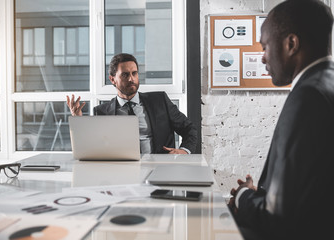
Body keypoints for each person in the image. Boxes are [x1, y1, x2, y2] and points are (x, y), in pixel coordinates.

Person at [228, 1, 334, 239]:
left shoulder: (308, 97)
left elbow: (278, 220)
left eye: (265, 46)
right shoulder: (326, 84)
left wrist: (244, 196)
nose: (263, 58)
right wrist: (260, 195)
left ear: (291, 44)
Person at [67, 53, 197, 154]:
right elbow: (92, 148)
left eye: (134, 73)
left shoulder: (160, 101)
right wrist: (78, 121)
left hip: (159, 169)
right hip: (121, 174)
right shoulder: (101, 111)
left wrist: (184, 150)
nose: (131, 79)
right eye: (125, 75)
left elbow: (189, 129)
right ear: (112, 79)